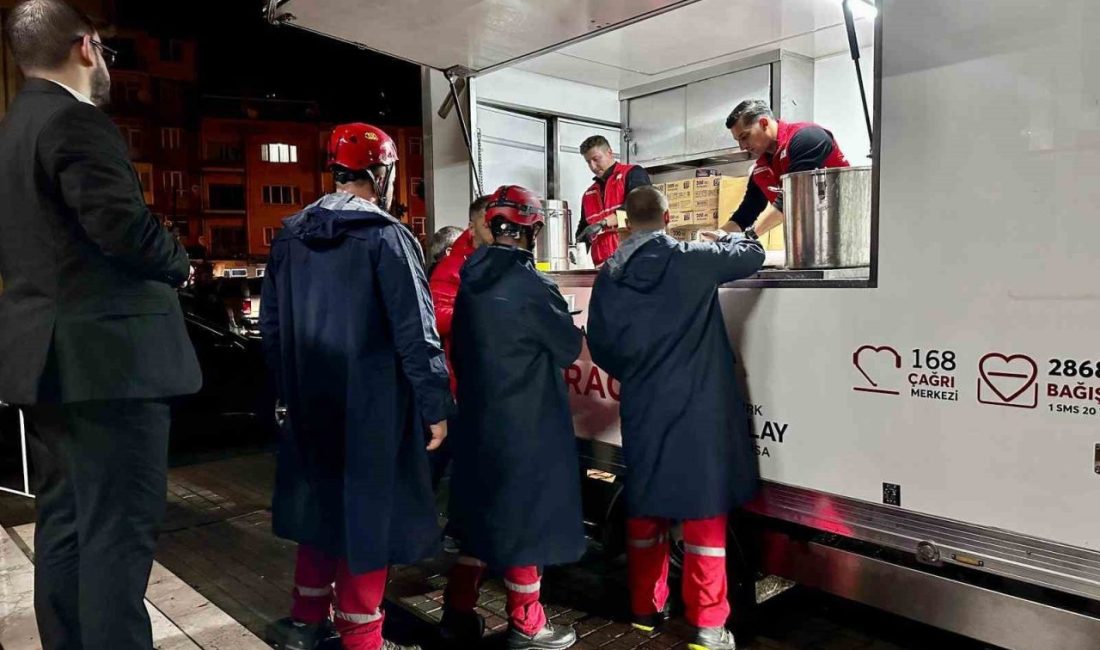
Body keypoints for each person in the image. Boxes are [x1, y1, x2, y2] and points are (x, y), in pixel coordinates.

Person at [0, 2, 201, 648]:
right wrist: (179, 262)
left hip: (47, 362)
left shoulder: (12, 131)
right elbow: (121, 225)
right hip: (109, 364)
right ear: (86, 46)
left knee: (65, 523)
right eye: (106, 51)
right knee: (118, 531)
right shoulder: (75, 121)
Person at [260, 122, 453, 650]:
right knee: (367, 520)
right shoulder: (388, 239)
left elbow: (271, 329)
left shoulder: (290, 236)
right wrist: (435, 405)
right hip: (372, 408)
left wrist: (286, 391)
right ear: (381, 173)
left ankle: (304, 619)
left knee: (318, 509)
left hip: (308, 404)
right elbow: (417, 332)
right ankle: (362, 638)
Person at [586, 186, 765, 650]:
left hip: (644, 403)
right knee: (703, 512)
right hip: (699, 405)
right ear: (667, 219)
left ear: (626, 225)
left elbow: (601, 344)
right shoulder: (690, 258)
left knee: (646, 506)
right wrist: (726, 237)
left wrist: (638, 372)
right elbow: (752, 254)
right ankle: (708, 625)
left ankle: (645, 610)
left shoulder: (610, 274)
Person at [441, 185, 584, 650]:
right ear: (533, 230)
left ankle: (457, 612)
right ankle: (527, 624)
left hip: (479, 418)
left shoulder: (468, 279)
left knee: (481, 519)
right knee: (524, 523)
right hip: (526, 423)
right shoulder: (532, 285)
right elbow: (565, 348)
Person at [427, 196, 493, 491]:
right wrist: (481, 313)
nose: (494, 229)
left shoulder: (494, 256)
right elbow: (437, 317)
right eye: (487, 223)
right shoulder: (454, 264)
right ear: (473, 225)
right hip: (460, 383)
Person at [720, 99, 850, 239]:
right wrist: (717, 236)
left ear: (764, 123)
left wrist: (750, 236)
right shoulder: (761, 168)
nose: (742, 146)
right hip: (809, 242)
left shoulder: (807, 138)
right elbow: (746, 212)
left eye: (745, 137)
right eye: (738, 141)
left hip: (845, 233)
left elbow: (794, 198)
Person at [574, 135, 652, 267]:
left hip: (635, 263)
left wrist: (603, 223)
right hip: (603, 269)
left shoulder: (633, 173)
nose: (593, 166)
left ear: (609, 153)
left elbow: (638, 210)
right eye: (588, 162)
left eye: (596, 159)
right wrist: (576, 250)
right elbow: (584, 231)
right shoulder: (588, 195)